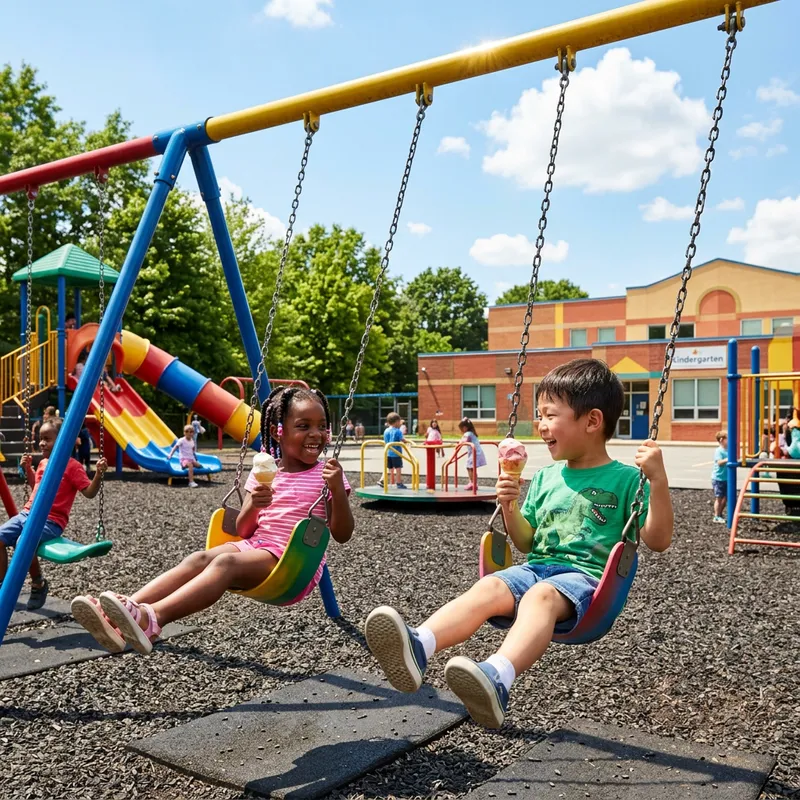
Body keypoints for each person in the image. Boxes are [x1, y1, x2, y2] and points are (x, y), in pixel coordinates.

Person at [364, 358, 673, 729]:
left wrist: (657, 482)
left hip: (584, 582)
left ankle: (497, 677)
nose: (541, 426)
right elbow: (526, 541)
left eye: (549, 415)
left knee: (540, 596)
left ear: (592, 421)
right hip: (537, 568)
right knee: (492, 585)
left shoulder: (626, 480)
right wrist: (509, 507)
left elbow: (658, 540)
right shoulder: (545, 477)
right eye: (539, 415)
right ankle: (419, 645)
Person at [71, 386, 354, 655]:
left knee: (224, 564)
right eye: (304, 426)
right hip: (256, 545)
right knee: (199, 558)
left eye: (322, 426)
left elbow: (342, 534)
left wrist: (338, 493)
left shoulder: (328, 475)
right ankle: (121, 614)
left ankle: (153, 619)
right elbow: (244, 530)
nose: (316, 434)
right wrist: (253, 505)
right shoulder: (264, 471)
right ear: (277, 432)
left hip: (291, 563)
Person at [0, 417, 107, 610]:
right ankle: (1, 584)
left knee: (23, 542)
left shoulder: (73, 466)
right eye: (40, 438)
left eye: (47, 438)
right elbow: (36, 488)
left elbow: (89, 493)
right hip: (27, 514)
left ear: (63, 440)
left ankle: (38, 583)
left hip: (51, 521)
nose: (41, 443)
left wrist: (98, 474)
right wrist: (28, 470)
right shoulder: (43, 463)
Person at [458, 417, 487, 491]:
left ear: (465, 427)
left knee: (469, 467)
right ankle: (473, 483)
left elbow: (464, 441)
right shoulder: (472, 433)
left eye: (461, 428)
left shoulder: (468, 433)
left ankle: (472, 483)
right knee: (471, 468)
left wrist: (458, 444)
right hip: (476, 452)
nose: (461, 430)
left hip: (475, 453)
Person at [381, 412, 406, 489]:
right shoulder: (398, 431)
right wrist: (406, 441)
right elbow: (402, 439)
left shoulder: (386, 431)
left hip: (388, 453)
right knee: (398, 468)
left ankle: (382, 480)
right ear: (397, 422)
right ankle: (398, 482)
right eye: (399, 422)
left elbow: (385, 441)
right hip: (396, 453)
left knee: (389, 468)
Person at [711, 431, 728, 524]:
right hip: (718, 478)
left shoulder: (729, 450)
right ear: (721, 440)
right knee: (719, 498)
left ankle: (720, 514)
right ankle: (716, 516)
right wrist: (727, 459)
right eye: (727, 438)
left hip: (726, 478)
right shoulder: (719, 451)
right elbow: (719, 463)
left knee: (725, 497)